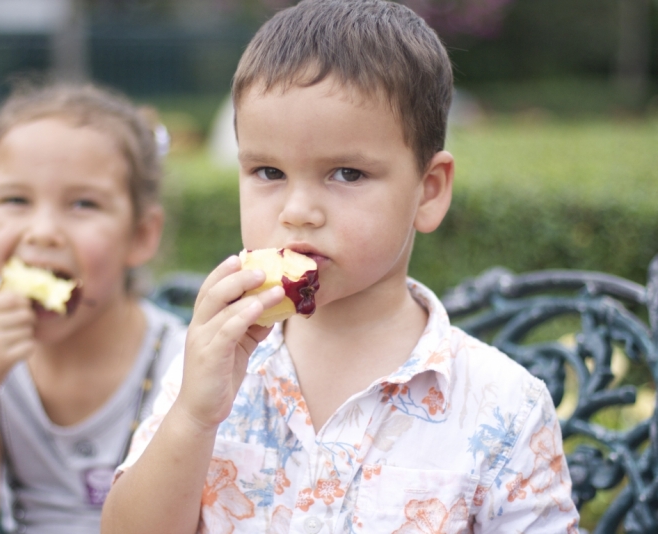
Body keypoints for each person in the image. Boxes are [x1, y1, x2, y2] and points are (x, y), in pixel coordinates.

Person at [101, 1, 580, 533]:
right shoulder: (211, 374)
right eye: (268, 171)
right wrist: (193, 417)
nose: (297, 210)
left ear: (429, 191)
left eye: (347, 174)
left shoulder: (505, 408)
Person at [0, 83, 187, 534]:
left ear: (141, 234)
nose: (42, 232)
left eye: (83, 204)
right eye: (16, 201)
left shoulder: (181, 361)